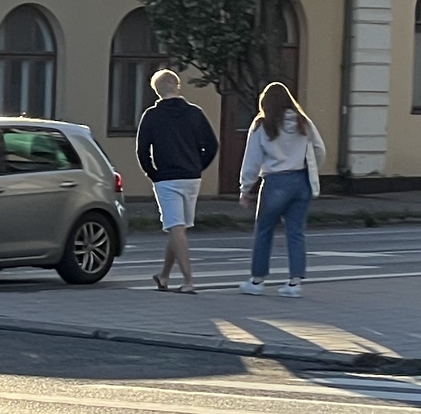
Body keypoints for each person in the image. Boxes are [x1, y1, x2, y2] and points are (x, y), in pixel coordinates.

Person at [236, 80, 327, 298]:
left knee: (264, 230)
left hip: (275, 182)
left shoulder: (262, 125)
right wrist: (312, 169)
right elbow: (319, 149)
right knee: (296, 232)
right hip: (301, 181)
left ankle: (257, 280)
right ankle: (295, 283)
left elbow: (252, 160)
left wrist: (245, 188)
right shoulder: (302, 122)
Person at [134, 69, 218, 292]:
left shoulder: (151, 116)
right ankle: (163, 276)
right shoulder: (195, 113)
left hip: (167, 179)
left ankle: (188, 281)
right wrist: (198, 166)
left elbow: (142, 151)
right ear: (177, 86)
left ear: (156, 91)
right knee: (177, 227)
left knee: (176, 228)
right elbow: (212, 145)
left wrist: (153, 174)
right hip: (191, 178)